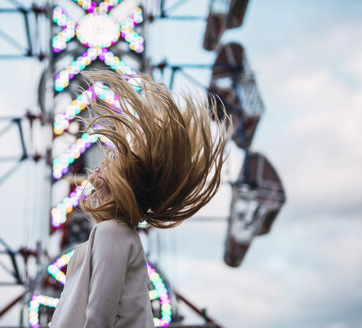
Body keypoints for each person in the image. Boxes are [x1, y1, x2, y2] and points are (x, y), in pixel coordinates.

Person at [50, 70, 231, 328]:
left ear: (126, 181)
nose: (103, 161)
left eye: (114, 160)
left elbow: (99, 317)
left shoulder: (111, 232)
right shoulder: (119, 233)